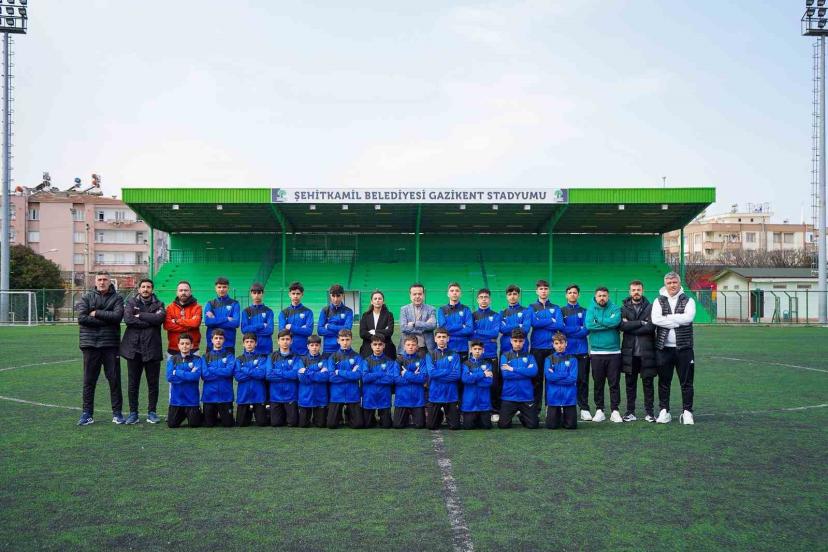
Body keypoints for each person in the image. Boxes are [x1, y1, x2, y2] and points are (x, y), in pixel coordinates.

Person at [76, 271, 125, 426]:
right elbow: (82, 318)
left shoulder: (117, 298)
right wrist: (106, 320)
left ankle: (117, 414)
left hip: (110, 345)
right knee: (89, 381)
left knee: (114, 380)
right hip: (90, 345)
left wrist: (96, 313)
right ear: (95, 281)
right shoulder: (86, 297)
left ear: (110, 281)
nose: (102, 282)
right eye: (99, 279)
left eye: (105, 279)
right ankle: (87, 414)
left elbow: (117, 317)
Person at [651, 271, 697, 425]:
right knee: (664, 382)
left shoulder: (689, 300)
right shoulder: (658, 301)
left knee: (687, 382)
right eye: (669, 283)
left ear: (679, 283)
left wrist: (667, 319)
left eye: (674, 282)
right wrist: (678, 321)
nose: (672, 285)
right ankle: (664, 411)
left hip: (684, 348)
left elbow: (688, 318)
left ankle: (687, 412)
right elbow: (655, 320)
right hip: (663, 349)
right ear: (665, 285)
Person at [120, 278, 166, 425]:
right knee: (133, 384)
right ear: (139, 289)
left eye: (148, 287)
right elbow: (128, 319)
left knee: (153, 384)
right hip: (134, 349)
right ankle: (133, 413)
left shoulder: (159, 304)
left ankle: (152, 412)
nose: (146, 289)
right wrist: (149, 321)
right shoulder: (131, 302)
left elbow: (159, 319)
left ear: (152, 289)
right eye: (143, 287)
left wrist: (140, 315)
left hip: (152, 349)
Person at [618, 280, 656, 422]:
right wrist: (640, 323)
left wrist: (631, 326)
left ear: (642, 291)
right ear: (630, 292)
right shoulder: (623, 308)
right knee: (630, 384)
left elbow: (651, 327)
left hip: (647, 352)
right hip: (630, 353)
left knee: (648, 384)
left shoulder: (651, 307)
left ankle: (650, 413)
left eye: (638, 290)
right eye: (633, 290)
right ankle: (630, 412)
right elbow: (622, 326)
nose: (636, 292)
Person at [586, 287, 623, 423]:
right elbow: (589, 325)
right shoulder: (591, 309)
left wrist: (599, 321)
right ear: (596, 297)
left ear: (608, 296)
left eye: (604, 296)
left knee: (614, 383)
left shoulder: (615, 308)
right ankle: (599, 410)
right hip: (597, 353)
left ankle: (615, 411)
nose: (602, 298)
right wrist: (608, 323)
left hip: (614, 352)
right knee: (598, 384)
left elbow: (615, 322)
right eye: (600, 296)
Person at [529, 279, 564, 407]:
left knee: (552, 378)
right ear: (537, 291)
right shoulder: (532, 307)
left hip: (552, 348)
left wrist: (541, 322)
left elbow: (559, 325)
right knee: (537, 379)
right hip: (537, 348)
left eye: (545, 289)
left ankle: (551, 407)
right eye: (541, 289)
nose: (543, 291)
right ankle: (536, 408)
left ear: (549, 291)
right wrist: (551, 320)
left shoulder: (556, 307)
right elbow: (534, 323)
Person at [498, 329, 539, 429]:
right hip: (509, 397)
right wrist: (525, 372)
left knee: (533, 425)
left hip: (526, 397)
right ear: (511, 341)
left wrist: (512, 369)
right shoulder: (505, 356)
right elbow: (506, 375)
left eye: (520, 341)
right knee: (503, 425)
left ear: (524, 341)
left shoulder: (530, 357)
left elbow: (533, 372)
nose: (518, 344)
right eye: (515, 341)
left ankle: (521, 414)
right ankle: (515, 411)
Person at [561, 284, 591, 422]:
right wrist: (578, 329)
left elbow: (586, 329)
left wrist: (570, 330)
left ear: (578, 295)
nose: (572, 294)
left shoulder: (584, 311)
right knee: (566, 379)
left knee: (582, 380)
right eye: (570, 292)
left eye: (574, 292)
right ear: (566, 295)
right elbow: (561, 329)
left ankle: (584, 408)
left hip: (582, 351)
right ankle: (564, 406)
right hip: (566, 352)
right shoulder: (561, 311)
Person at [472, 288, 502, 420]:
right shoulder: (473, 315)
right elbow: (470, 334)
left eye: (486, 297)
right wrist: (486, 336)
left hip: (491, 354)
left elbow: (495, 333)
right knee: (476, 381)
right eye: (481, 297)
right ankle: (477, 408)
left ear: (490, 299)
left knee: (493, 383)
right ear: (477, 300)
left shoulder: (495, 315)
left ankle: (494, 410)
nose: (484, 299)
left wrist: (478, 332)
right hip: (476, 355)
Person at [326, 329, 364, 429]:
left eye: (347, 339)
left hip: (352, 394)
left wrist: (339, 372)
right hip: (337, 394)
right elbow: (331, 377)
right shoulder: (333, 357)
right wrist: (351, 374)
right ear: (338, 340)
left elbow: (358, 375)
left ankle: (348, 413)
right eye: (342, 340)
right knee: (331, 425)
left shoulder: (357, 357)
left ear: (351, 340)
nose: (345, 342)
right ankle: (339, 416)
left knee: (358, 425)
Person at [425, 327, 461, 430]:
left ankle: (448, 413)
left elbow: (457, 375)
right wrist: (448, 370)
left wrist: (438, 375)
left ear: (448, 339)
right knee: (431, 426)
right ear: (435, 339)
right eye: (439, 337)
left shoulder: (455, 354)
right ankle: (440, 413)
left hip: (450, 394)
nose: (441, 339)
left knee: (454, 426)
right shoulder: (430, 355)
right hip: (435, 393)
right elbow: (432, 373)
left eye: (444, 337)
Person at [165, 333, 204, 428]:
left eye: (187, 343)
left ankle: (197, 413)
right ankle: (182, 415)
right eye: (182, 343)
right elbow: (169, 377)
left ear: (191, 345)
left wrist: (177, 372)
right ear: (178, 345)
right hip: (176, 400)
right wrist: (188, 375)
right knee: (172, 425)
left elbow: (195, 377)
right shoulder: (172, 359)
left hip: (192, 400)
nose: (185, 346)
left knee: (194, 425)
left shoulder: (197, 359)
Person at [360, 335, 397, 429]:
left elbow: (390, 379)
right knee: (367, 425)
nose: (377, 347)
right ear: (371, 346)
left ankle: (382, 418)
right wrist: (381, 374)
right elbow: (365, 378)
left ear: (384, 345)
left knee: (386, 426)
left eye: (380, 344)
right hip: (369, 397)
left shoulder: (390, 361)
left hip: (384, 397)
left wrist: (371, 376)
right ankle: (372, 418)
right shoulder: (366, 361)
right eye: (375, 344)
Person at [266, 329, 302, 427]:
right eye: (282, 339)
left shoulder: (296, 357)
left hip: (291, 396)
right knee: (275, 423)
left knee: (292, 423)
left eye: (287, 339)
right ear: (278, 341)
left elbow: (295, 375)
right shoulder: (271, 356)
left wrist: (277, 372)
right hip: (275, 396)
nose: (285, 342)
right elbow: (269, 375)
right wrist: (287, 374)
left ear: (291, 341)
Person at [201, 328, 236, 428]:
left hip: (225, 396)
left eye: (220, 338)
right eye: (216, 338)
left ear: (224, 340)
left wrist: (211, 369)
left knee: (228, 424)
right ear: (211, 340)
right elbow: (205, 375)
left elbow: (229, 372)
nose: (218, 340)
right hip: (209, 397)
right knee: (209, 424)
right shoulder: (205, 356)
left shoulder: (229, 356)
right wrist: (222, 371)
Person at [544, 332, 578, 430]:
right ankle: (558, 414)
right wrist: (565, 374)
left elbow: (572, 379)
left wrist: (555, 375)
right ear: (553, 345)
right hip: (553, 397)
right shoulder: (548, 359)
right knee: (551, 426)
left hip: (569, 397)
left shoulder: (573, 359)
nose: (559, 346)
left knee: (571, 426)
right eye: (557, 343)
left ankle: (564, 414)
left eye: (562, 343)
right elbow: (549, 377)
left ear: (566, 343)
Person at [393, 336, 427, 429]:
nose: (410, 347)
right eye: (408, 345)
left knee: (420, 426)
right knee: (397, 425)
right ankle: (406, 417)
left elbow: (423, 378)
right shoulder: (398, 360)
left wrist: (406, 374)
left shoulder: (421, 360)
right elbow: (396, 379)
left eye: (413, 345)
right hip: (402, 399)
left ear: (417, 347)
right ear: (404, 346)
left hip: (417, 399)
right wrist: (414, 376)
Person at [235, 333, 269, 427]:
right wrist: (254, 371)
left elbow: (261, 374)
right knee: (241, 424)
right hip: (244, 396)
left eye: (251, 342)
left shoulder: (262, 358)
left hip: (258, 396)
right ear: (243, 344)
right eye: (247, 342)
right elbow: (238, 376)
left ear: (256, 343)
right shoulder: (239, 359)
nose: (249, 344)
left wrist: (244, 369)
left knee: (262, 423)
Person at [163, 280, 202, 357]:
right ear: (177, 292)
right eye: (181, 290)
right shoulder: (170, 308)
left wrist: (176, 321)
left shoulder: (197, 307)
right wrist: (189, 324)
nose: (183, 292)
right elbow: (167, 325)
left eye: (186, 290)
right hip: (174, 348)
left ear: (190, 292)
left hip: (192, 348)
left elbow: (195, 323)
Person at [460, 340, 494, 430]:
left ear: (483, 350)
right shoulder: (466, 364)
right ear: (471, 350)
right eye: (475, 349)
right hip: (469, 404)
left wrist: (472, 377)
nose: (477, 351)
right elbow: (465, 379)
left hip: (484, 404)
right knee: (468, 427)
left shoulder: (488, 364)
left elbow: (488, 382)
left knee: (486, 427)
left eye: (479, 349)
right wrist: (483, 374)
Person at [437, 282, 473, 362]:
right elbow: (443, 329)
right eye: (452, 291)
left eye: (457, 291)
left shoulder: (466, 309)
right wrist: (461, 326)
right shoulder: (442, 310)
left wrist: (450, 332)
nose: (454, 293)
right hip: (447, 347)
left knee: (463, 370)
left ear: (460, 294)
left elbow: (469, 329)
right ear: (448, 294)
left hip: (463, 348)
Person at [298, 335, 328, 428]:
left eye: (317, 345)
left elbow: (325, 377)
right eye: (312, 345)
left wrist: (306, 371)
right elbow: (302, 378)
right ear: (308, 346)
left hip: (320, 396)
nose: (314, 347)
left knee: (321, 425)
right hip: (305, 396)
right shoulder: (302, 359)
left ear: (320, 346)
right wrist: (318, 371)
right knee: (303, 425)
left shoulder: (324, 359)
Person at [204, 277, 241, 353]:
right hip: (212, 344)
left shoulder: (234, 304)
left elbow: (235, 323)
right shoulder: (210, 304)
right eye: (219, 287)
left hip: (228, 344)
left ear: (228, 288)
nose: (221, 289)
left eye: (224, 287)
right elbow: (208, 322)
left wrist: (214, 319)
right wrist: (226, 319)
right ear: (215, 288)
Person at [398, 283, 437, 354]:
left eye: (420, 294)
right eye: (414, 294)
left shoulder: (431, 309)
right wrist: (425, 325)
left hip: (425, 348)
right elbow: (403, 328)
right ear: (410, 295)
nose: (417, 296)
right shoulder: (404, 309)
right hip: (408, 348)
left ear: (423, 295)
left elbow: (433, 325)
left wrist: (414, 324)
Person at [278, 281, 315, 356]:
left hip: (303, 352)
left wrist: (291, 327)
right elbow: (283, 332)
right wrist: (301, 329)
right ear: (289, 294)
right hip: (288, 351)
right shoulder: (283, 313)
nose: (295, 296)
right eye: (293, 293)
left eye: (298, 294)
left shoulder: (308, 312)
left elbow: (308, 331)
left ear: (302, 294)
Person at [318, 284, 354, 357]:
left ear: (342, 295)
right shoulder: (325, 310)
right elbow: (320, 330)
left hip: (343, 348)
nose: (335, 299)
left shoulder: (348, 311)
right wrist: (341, 331)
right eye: (333, 296)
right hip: (328, 349)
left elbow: (347, 328)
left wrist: (329, 326)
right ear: (330, 295)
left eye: (338, 296)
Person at [358, 290, 396, 358]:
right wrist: (380, 334)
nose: (377, 300)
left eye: (380, 298)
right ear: (371, 301)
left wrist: (374, 331)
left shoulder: (389, 315)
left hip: (386, 348)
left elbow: (389, 332)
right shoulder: (365, 315)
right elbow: (362, 333)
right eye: (375, 299)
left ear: (383, 301)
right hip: (368, 347)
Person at [240, 282, 274, 354]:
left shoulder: (269, 311)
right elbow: (244, 330)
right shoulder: (246, 311)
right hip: (250, 349)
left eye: (259, 293)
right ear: (251, 294)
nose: (256, 295)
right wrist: (261, 325)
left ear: (263, 294)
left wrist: (251, 330)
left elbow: (270, 330)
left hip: (266, 348)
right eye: (254, 293)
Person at [500, 284, 532, 356]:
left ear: (519, 295)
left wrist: (508, 328)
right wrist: (518, 325)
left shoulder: (526, 311)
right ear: (506, 296)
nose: (512, 296)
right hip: (505, 347)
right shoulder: (502, 313)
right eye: (509, 294)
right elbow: (502, 329)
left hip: (522, 347)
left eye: (514, 294)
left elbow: (525, 329)